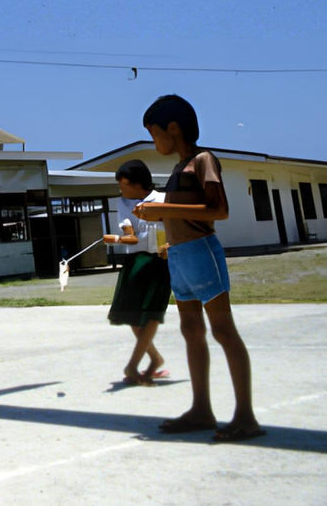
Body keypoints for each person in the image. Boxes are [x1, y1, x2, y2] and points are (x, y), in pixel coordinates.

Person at [133, 94, 264, 442]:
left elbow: (218, 210)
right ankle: (202, 408)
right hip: (180, 255)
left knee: (223, 330)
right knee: (191, 329)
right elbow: (188, 212)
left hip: (202, 253)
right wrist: (167, 232)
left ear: (172, 128)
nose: (154, 140)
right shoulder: (179, 168)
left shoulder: (203, 160)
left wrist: (164, 212)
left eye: (154, 132)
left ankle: (245, 416)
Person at [102, 159, 170, 385]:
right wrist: (118, 239)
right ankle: (155, 358)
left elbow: (174, 228)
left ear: (138, 183)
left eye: (124, 185)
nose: (121, 190)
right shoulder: (123, 203)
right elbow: (129, 235)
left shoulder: (162, 199)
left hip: (160, 261)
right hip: (134, 261)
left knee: (151, 312)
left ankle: (133, 366)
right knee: (130, 313)